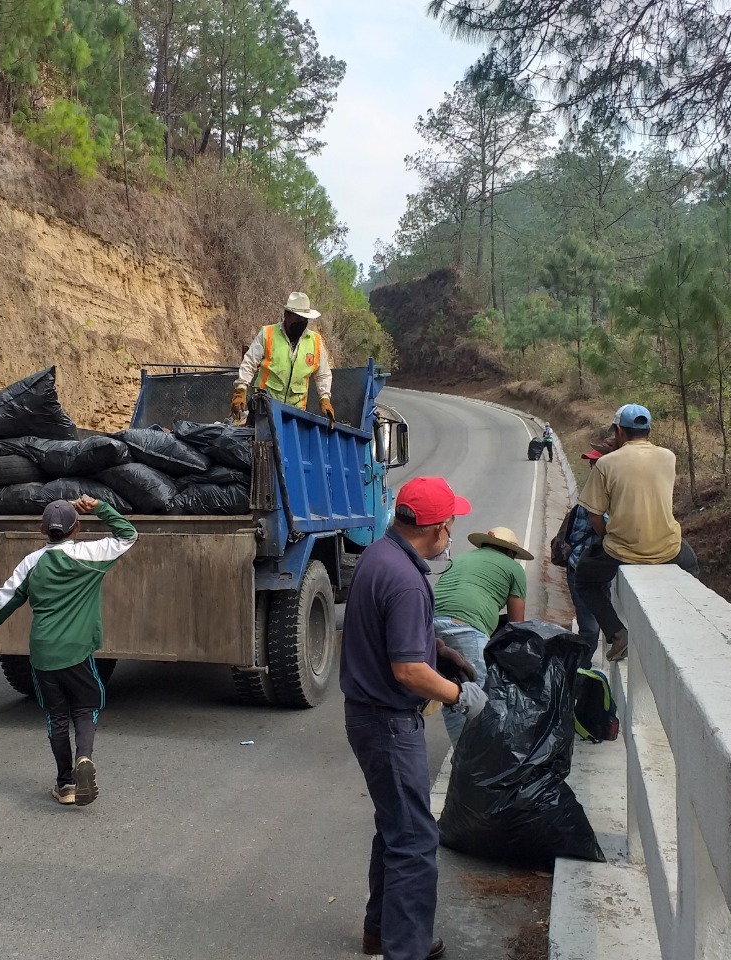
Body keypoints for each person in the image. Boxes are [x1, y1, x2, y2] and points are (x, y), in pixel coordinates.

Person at [340, 476, 487, 960]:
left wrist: (439, 650)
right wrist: (459, 695)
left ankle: (380, 932)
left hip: (368, 715)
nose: (451, 533)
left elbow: (396, 638)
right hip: (387, 721)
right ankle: (407, 950)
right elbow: (406, 670)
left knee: (396, 828)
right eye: (451, 524)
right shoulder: (406, 579)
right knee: (415, 840)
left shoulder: (381, 557)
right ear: (437, 527)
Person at [0, 496, 137, 806]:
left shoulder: (32, 562)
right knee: (86, 707)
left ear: (42, 528)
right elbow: (128, 534)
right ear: (78, 529)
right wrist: (99, 507)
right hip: (77, 651)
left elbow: (2, 602)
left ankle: (66, 784)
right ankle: (83, 759)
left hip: (43, 653)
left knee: (56, 717)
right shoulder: (91, 554)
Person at [574, 404, 699, 662]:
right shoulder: (669, 457)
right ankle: (680, 627)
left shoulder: (606, 464)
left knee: (585, 577)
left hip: (623, 552)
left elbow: (594, 515)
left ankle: (617, 634)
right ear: (648, 430)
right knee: (692, 564)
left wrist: (607, 537)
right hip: (668, 548)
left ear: (619, 431)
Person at [432, 524, 531, 745]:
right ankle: (471, 760)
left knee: (451, 692)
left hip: (428, 624)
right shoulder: (514, 569)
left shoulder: (461, 558)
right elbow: (517, 626)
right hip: (465, 628)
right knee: (474, 697)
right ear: (512, 553)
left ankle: (464, 754)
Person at [231, 291, 335, 427]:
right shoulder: (268, 334)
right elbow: (249, 363)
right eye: (297, 319)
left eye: (304, 320)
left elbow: (323, 375)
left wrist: (325, 398)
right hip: (264, 409)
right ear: (286, 315)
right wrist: (241, 390)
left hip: (294, 414)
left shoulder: (315, 342)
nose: (301, 323)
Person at [565, 450, 610, 668]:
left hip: (594, 569)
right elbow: (608, 527)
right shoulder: (597, 499)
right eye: (592, 464)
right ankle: (577, 675)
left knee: (596, 624)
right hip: (581, 569)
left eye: (595, 463)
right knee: (590, 629)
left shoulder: (600, 492)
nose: (592, 468)